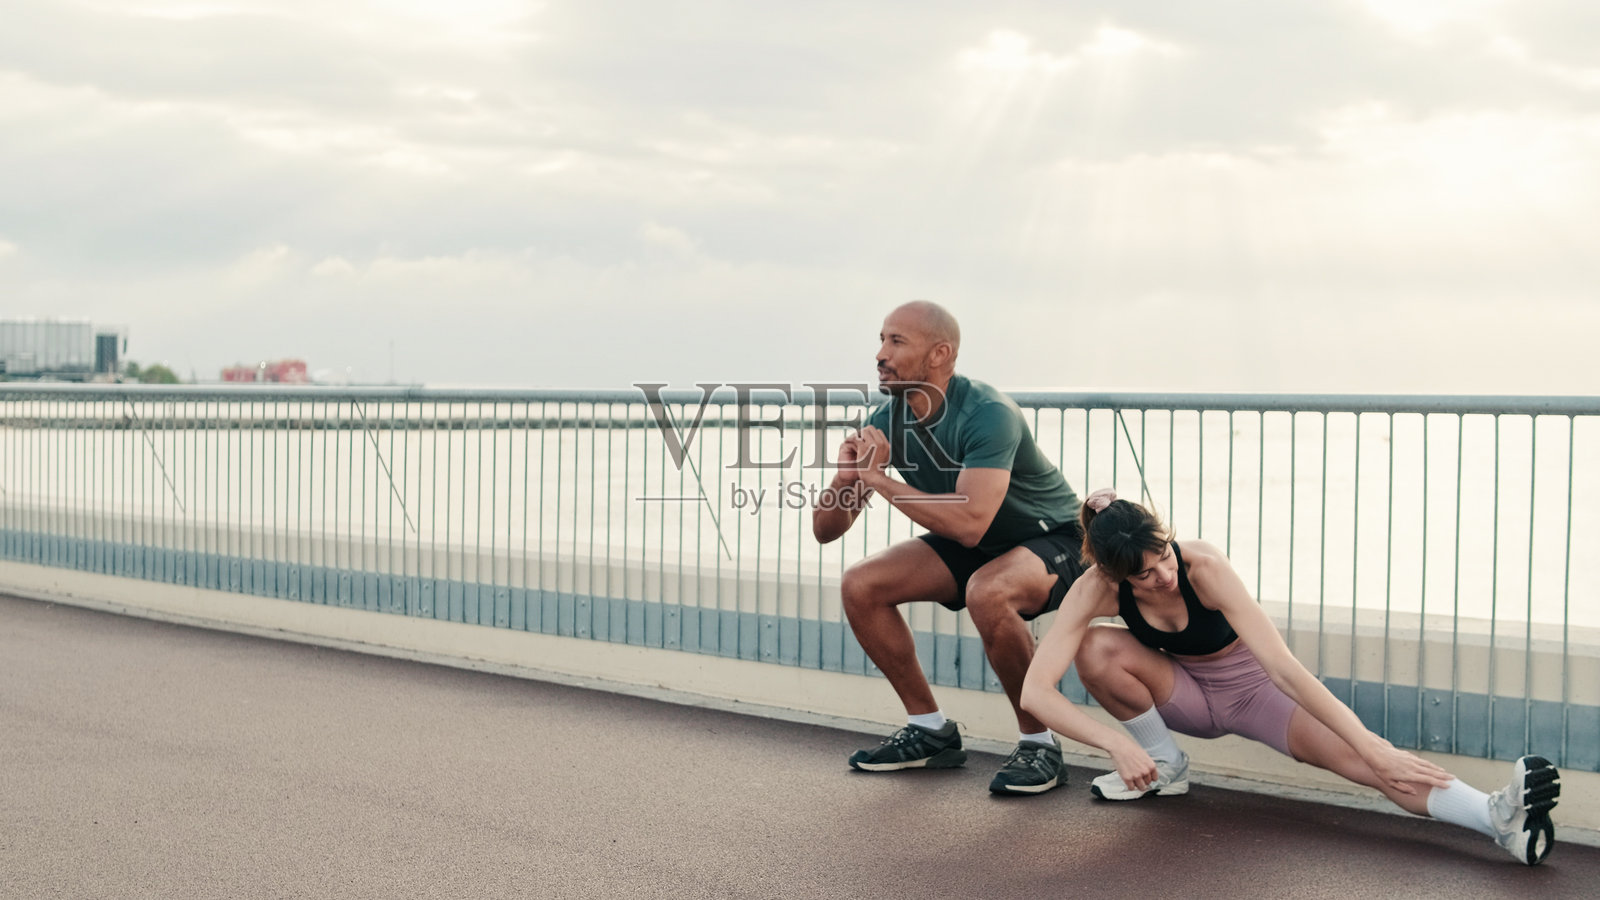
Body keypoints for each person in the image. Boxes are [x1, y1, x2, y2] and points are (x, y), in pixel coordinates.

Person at [1020, 488, 1563, 865]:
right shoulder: (1094, 588)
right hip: (1181, 692)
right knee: (1095, 646)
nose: (1164, 575)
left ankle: (1498, 821)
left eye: (1163, 555)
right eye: (1144, 573)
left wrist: (1370, 745)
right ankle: (1164, 764)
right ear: (1115, 574)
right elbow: (1036, 692)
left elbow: (1283, 667)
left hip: (1256, 692)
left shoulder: (1204, 566)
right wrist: (1116, 745)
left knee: (1372, 763)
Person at [812, 300, 1087, 794]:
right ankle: (930, 730)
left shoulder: (988, 413)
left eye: (897, 342)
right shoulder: (886, 417)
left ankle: (1040, 743)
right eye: (881, 339)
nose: (880, 353)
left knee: (988, 591)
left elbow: (970, 524)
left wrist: (878, 478)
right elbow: (825, 530)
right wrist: (848, 475)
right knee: (862, 584)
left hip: (1053, 537)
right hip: (978, 539)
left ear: (940, 354)